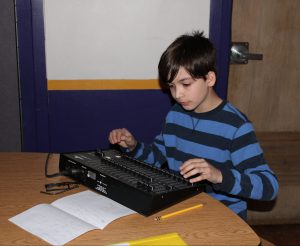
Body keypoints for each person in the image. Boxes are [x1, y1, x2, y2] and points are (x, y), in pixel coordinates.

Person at [108, 31, 279, 220]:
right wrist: (133, 146)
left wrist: (219, 176)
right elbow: (156, 156)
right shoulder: (175, 115)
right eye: (171, 86)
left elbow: (269, 187)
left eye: (185, 84)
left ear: (210, 79)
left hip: (222, 219)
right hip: (181, 210)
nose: (177, 94)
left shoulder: (236, 126)